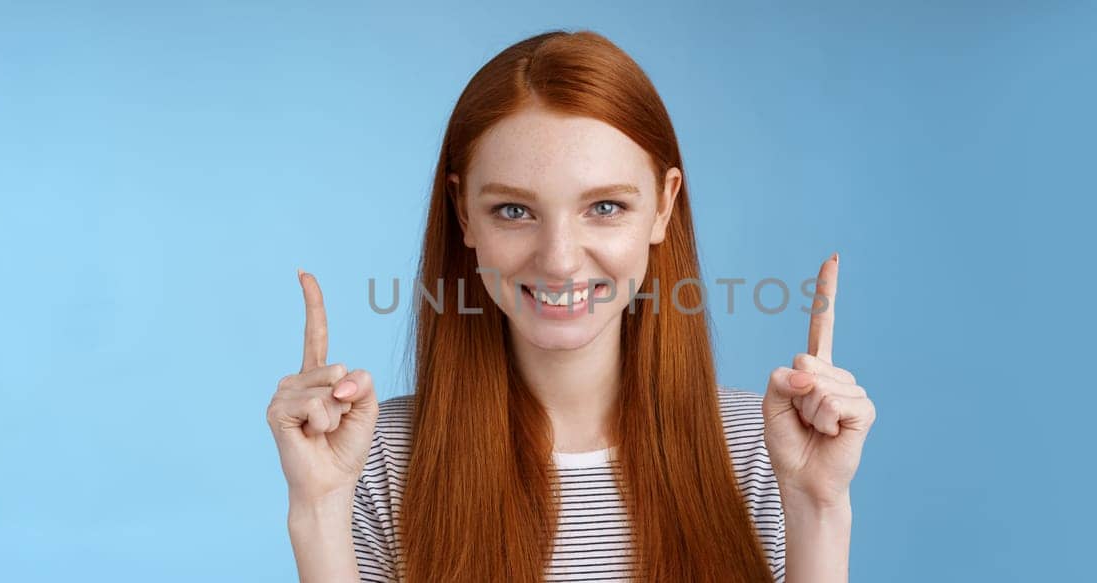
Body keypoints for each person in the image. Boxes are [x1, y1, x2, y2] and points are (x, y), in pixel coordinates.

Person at [266, 30, 876, 582]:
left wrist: (819, 508)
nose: (558, 260)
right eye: (514, 210)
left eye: (605, 207)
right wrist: (318, 511)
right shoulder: (373, 457)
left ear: (663, 207)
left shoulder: (762, 449)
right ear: (462, 213)